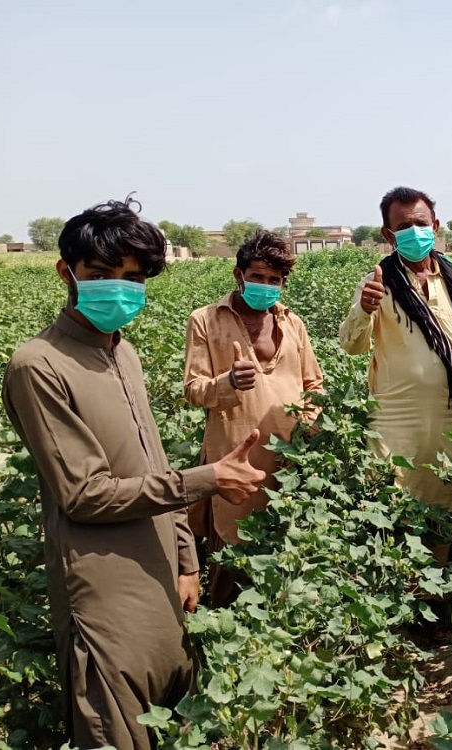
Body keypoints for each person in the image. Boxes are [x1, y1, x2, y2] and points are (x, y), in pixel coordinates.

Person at [1, 197, 266, 750]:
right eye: (100, 275)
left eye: (132, 278)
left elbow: (152, 463)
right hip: (103, 590)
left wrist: (187, 560)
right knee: (115, 731)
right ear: (66, 273)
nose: (117, 289)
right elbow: (83, 495)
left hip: (162, 573)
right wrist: (209, 478)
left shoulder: (125, 355)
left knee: (179, 716)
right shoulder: (39, 365)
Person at [184, 228, 324, 606]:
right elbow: (194, 389)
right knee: (233, 563)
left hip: (290, 461)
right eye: (257, 277)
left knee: (287, 556)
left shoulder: (293, 324)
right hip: (236, 461)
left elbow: (314, 383)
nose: (265, 285)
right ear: (238, 275)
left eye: (274, 280)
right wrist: (227, 382)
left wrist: (311, 419)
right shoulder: (206, 321)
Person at [339, 186, 452, 520]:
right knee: (393, 510)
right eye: (403, 227)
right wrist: (365, 309)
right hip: (397, 424)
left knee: (450, 506)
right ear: (388, 234)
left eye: (421, 224)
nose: (414, 233)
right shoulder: (378, 283)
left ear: (435, 226)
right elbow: (352, 346)